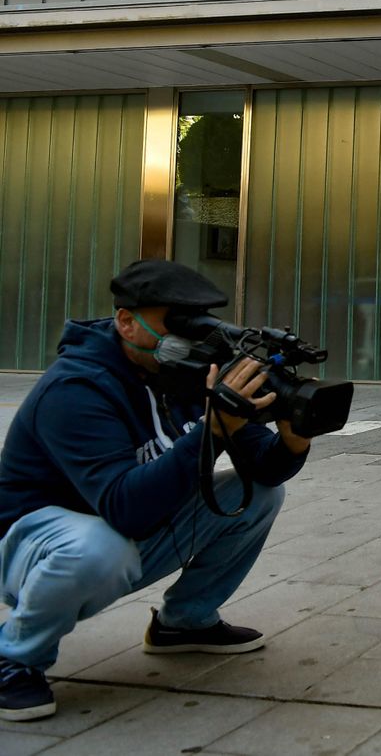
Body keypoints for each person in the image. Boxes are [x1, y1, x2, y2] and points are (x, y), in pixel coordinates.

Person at [0, 260, 308, 722]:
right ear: (127, 321)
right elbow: (127, 510)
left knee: (259, 497)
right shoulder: (77, 389)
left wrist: (293, 436)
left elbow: (263, 466)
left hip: (117, 528)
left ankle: (184, 624)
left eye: (198, 323)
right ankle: (16, 659)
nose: (192, 338)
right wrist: (212, 432)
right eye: (178, 323)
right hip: (34, 545)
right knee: (101, 548)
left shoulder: (182, 375)